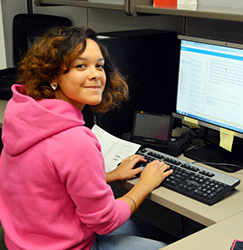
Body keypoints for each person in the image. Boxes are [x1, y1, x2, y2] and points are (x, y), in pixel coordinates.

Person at [0, 26, 173, 250]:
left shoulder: (24, 120)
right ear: (53, 75)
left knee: (145, 229)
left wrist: (110, 175)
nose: (95, 74)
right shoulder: (74, 141)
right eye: (81, 66)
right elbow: (106, 222)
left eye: (99, 66)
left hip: (25, 242)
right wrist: (145, 184)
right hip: (70, 247)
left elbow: (45, 183)